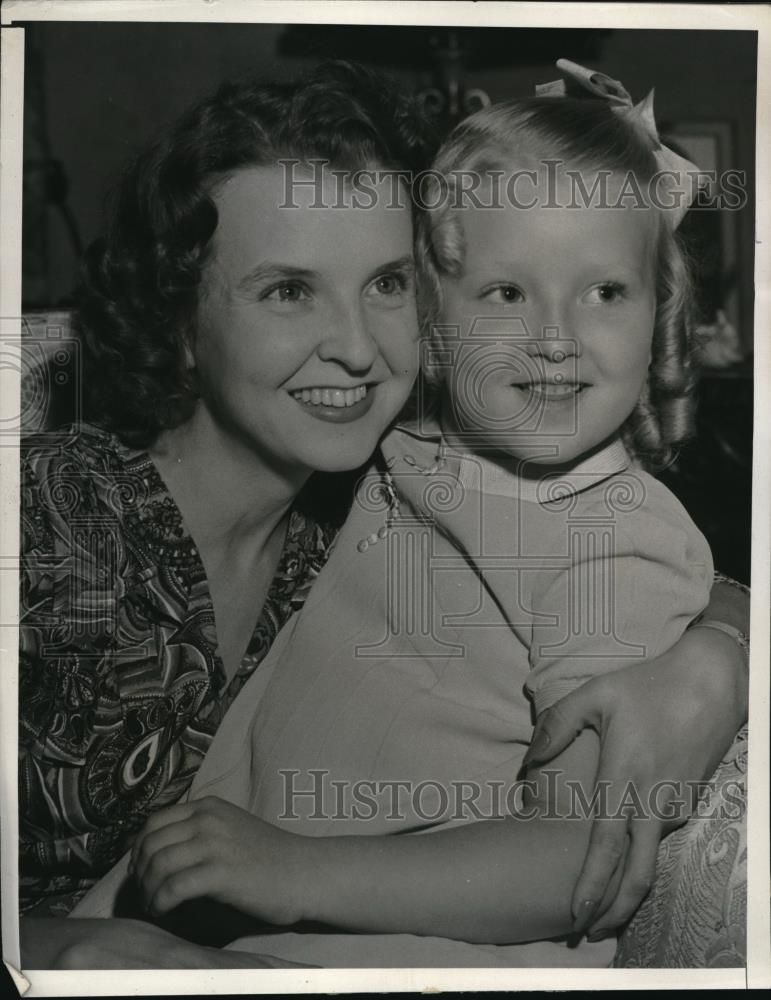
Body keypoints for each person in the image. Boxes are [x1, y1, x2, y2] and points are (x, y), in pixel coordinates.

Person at [18, 62, 749, 969]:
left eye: (387, 284)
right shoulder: (46, 522)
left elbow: (616, 553)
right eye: (288, 290)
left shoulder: (381, 475)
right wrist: (62, 947)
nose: (358, 348)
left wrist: (721, 651)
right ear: (178, 317)